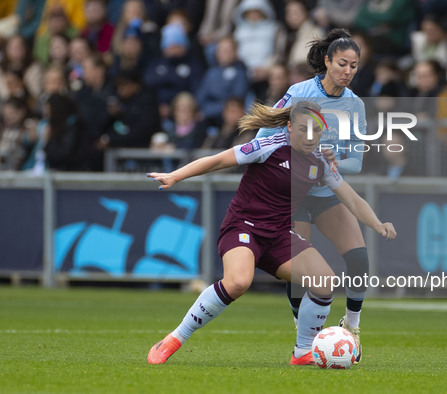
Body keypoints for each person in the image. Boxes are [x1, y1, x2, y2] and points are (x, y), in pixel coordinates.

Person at [145, 101, 396, 365]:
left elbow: (352, 200)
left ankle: (303, 352)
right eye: (303, 129)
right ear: (289, 127)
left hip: (278, 235)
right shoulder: (269, 146)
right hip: (243, 227)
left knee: (324, 282)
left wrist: (378, 224)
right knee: (238, 282)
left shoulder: (320, 162)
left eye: (316, 130)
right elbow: (218, 159)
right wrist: (175, 175)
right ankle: (174, 338)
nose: (310, 136)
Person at [256, 28, 369, 363]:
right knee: (298, 273)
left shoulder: (355, 105)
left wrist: (333, 163)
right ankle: (301, 328)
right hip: (293, 194)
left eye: (354, 66)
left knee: (359, 258)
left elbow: (357, 163)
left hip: (327, 191)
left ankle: (352, 324)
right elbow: (265, 136)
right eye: (342, 64)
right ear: (327, 61)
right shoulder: (299, 93)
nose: (348, 71)